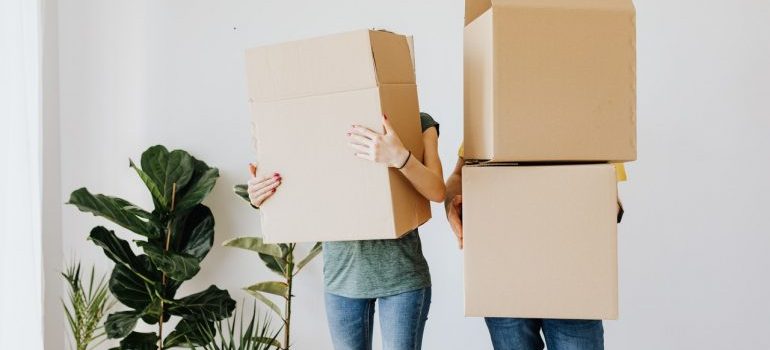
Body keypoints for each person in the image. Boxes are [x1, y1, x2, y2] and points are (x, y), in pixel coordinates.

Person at [246, 113, 445, 350]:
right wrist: (261, 194)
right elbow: (296, 183)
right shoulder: (314, 120)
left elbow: (437, 191)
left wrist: (399, 157)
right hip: (342, 279)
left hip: (402, 278)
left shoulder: (417, 120)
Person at [444, 146, 624, 350]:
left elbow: (605, 182)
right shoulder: (492, 116)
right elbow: (459, 175)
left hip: (571, 276)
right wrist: (451, 204)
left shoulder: (589, 119)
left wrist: (604, 208)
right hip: (504, 273)